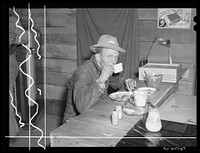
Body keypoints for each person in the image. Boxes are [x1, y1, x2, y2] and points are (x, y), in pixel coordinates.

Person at [63, 34, 136, 123]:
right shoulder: (83, 72)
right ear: (98, 57)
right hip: (75, 122)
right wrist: (101, 80)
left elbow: (116, 81)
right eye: (109, 56)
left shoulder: (103, 67)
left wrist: (126, 82)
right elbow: (82, 107)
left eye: (116, 57)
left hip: (97, 113)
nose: (114, 61)